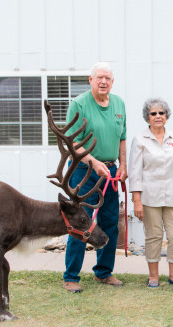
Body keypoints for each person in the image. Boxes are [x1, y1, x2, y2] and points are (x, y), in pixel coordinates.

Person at [62, 62, 127, 293]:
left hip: (110, 172)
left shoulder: (119, 103)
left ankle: (103, 273)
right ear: (90, 80)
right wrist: (94, 162)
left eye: (108, 78)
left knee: (110, 222)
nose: (103, 82)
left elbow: (122, 138)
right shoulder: (78, 104)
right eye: (99, 77)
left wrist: (123, 166)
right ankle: (71, 277)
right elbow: (73, 143)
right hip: (83, 171)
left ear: (112, 82)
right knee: (81, 222)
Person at [128, 98, 173, 289]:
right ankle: (153, 276)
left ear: (166, 116)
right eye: (153, 113)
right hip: (149, 198)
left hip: (172, 197)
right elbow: (135, 173)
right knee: (153, 236)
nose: (158, 116)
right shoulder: (140, 140)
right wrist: (136, 201)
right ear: (147, 117)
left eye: (161, 113)